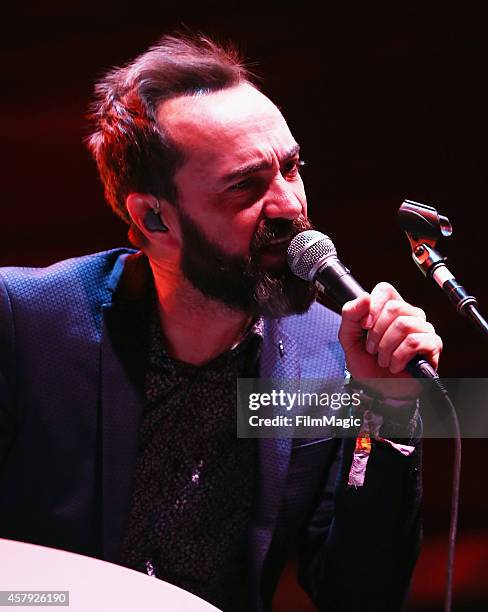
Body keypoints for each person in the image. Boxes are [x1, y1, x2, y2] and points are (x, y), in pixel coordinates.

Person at [0, 35, 442, 611]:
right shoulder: (26, 323)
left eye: (291, 168)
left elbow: (359, 595)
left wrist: (389, 411)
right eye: (244, 185)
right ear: (154, 217)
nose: (288, 206)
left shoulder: (327, 362)